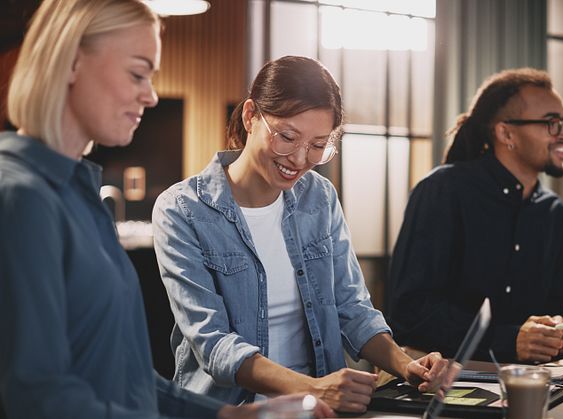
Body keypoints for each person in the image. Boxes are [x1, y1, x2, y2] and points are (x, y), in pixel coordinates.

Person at [0, 1, 332, 418]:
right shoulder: (21, 197)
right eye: (138, 73)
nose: (151, 94)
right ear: (70, 62)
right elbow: (38, 400)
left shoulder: (81, 198)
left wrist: (227, 415)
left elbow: (129, 381)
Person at [151, 55, 447, 413]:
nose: (299, 159)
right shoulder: (182, 209)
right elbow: (212, 343)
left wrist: (404, 365)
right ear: (250, 116)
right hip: (233, 410)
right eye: (287, 137)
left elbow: (351, 306)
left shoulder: (319, 198)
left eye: (318, 145)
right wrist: (313, 389)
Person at [386, 68, 563, 364]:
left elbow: (554, 309)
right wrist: (508, 340)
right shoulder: (443, 191)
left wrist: (556, 333)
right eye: (552, 123)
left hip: (525, 380)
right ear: (506, 133)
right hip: (437, 375)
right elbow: (409, 311)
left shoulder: (552, 212)